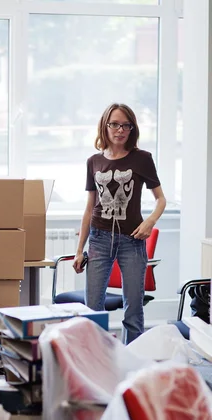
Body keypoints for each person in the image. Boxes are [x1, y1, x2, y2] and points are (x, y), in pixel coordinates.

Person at [73, 103, 166, 344]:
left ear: (132, 129)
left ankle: (132, 362)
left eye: (126, 125)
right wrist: (78, 250)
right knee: (92, 309)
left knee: (133, 310)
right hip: (99, 239)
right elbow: (89, 207)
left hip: (132, 241)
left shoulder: (142, 159)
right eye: (114, 124)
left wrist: (150, 222)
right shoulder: (93, 162)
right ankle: (94, 360)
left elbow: (161, 199)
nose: (120, 130)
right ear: (105, 126)